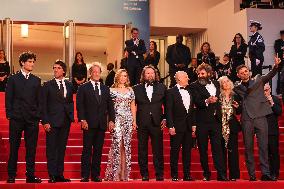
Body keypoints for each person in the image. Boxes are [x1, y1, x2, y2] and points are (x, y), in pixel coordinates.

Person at [233, 56, 281, 181]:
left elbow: (270, 75)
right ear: (238, 75)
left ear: (249, 72)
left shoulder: (258, 80)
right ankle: (252, 175)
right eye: (242, 73)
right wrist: (236, 106)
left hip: (260, 117)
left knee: (263, 146)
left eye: (246, 71)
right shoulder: (236, 87)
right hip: (246, 118)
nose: (245, 73)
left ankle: (266, 173)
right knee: (248, 148)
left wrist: (276, 66)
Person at [5, 51, 42, 183]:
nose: (32, 64)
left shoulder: (36, 80)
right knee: (14, 148)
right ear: (22, 62)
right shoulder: (13, 79)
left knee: (31, 149)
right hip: (16, 119)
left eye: (33, 62)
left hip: (32, 120)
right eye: (30, 62)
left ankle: (30, 176)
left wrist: (37, 116)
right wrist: (10, 114)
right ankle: (11, 175)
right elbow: (8, 98)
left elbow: (39, 101)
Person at [76, 63, 115, 182]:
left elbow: (110, 106)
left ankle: (95, 175)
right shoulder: (83, 87)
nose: (97, 74)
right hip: (88, 124)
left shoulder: (105, 88)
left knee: (98, 151)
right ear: (90, 73)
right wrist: (82, 119)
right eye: (94, 72)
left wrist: (112, 120)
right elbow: (80, 105)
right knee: (87, 150)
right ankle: (85, 175)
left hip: (101, 124)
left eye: (98, 72)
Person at [190, 63, 227, 181]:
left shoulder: (216, 83)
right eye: (199, 73)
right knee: (203, 149)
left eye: (203, 73)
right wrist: (207, 100)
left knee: (218, 148)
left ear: (209, 74)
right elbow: (196, 101)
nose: (200, 75)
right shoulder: (194, 85)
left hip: (216, 121)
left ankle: (221, 174)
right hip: (202, 122)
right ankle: (206, 173)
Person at [41, 60, 74, 183]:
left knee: (61, 149)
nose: (55, 70)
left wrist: (70, 116)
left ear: (64, 71)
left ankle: (60, 174)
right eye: (54, 68)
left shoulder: (69, 85)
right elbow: (43, 105)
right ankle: (52, 175)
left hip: (65, 121)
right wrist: (45, 121)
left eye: (58, 68)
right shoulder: (47, 85)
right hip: (52, 122)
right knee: (51, 149)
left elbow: (70, 101)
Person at [133, 65, 166, 181]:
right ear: (143, 75)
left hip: (157, 122)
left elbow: (168, 105)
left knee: (158, 150)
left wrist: (165, 118)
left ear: (155, 74)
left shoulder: (162, 87)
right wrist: (133, 120)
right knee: (142, 150)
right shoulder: (136, 88)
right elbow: (132, 106)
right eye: (147, 73)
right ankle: (144, 174)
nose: (150, 75)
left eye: (152, 73)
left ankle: (159, 174)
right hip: (141, 122)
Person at [105, 69, 136, 181]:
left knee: (126, 147)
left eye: (125, 76)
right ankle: (115, 173)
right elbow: (109, 108)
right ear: (117, 77)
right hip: (116, 119)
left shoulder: (130, 90)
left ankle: (124, 173)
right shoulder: (111, 90)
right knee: (117, 145)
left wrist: (134, 121)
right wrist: (110, 121)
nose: (124, 78)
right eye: (122, 76)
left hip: (128, 119)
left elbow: (133, 106)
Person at [166, 71, 195, 181]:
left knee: (187, 152)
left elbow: (192, 110)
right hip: (176, 127)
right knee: (175, 151)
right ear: (178, 79)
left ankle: (187, 175)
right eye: (186, 77)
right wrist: (171, 126)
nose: (188, 78)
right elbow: (168, 111)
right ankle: (174, 175)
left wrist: (193, 124)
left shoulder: (190, 91)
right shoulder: (170, 92)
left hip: (188, 126)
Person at [217, 76, 242, 181]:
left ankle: (233, 175)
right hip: (220, 126)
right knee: (221, 151)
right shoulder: (218, 96)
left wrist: (238, 107)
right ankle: (221, 175)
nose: (226, 83)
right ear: (221, 85)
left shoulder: (236, 96)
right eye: (223, 82)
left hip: (232, 126)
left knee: (233, 152)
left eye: (227, 81)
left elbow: (240, 110)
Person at [264, 83, 282, 180]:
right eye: (264, 90)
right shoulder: (259, 100)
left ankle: (275, 173)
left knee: (274, 152)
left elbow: (279, 112)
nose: (265, 92)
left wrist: (272, 103)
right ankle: (266, 173)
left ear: (270, 89)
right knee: (264, 153)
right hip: (261, 130)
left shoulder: (275, 99)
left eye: (267, 90)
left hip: (272, 131)